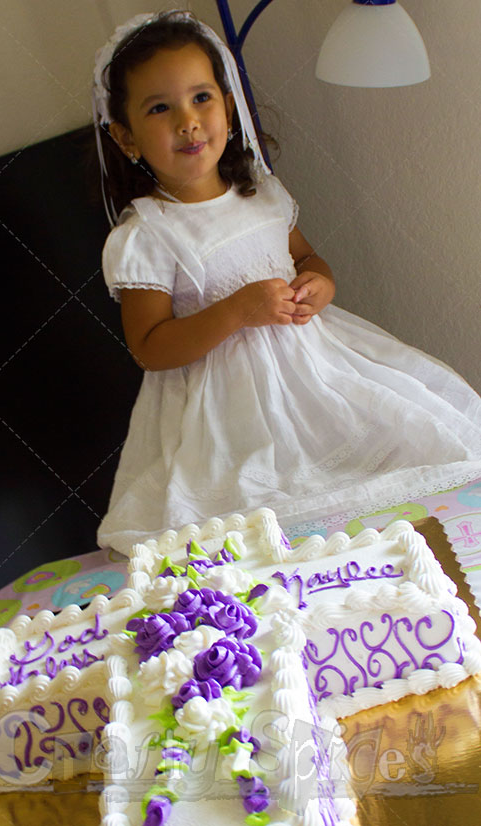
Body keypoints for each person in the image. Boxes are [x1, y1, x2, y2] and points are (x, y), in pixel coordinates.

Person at [92, 10, 481, 554]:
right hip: (228, 410)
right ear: (126, 136)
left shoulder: (262, 194)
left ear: (228, 107)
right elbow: (149, 347)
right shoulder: (147, 234)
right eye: (160, 108)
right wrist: (236, 311)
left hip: (316, 369)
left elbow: (306, 258)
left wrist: (321, 284)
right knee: (264, 514)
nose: (188, 121)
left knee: (411, 436)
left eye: (201, 98)